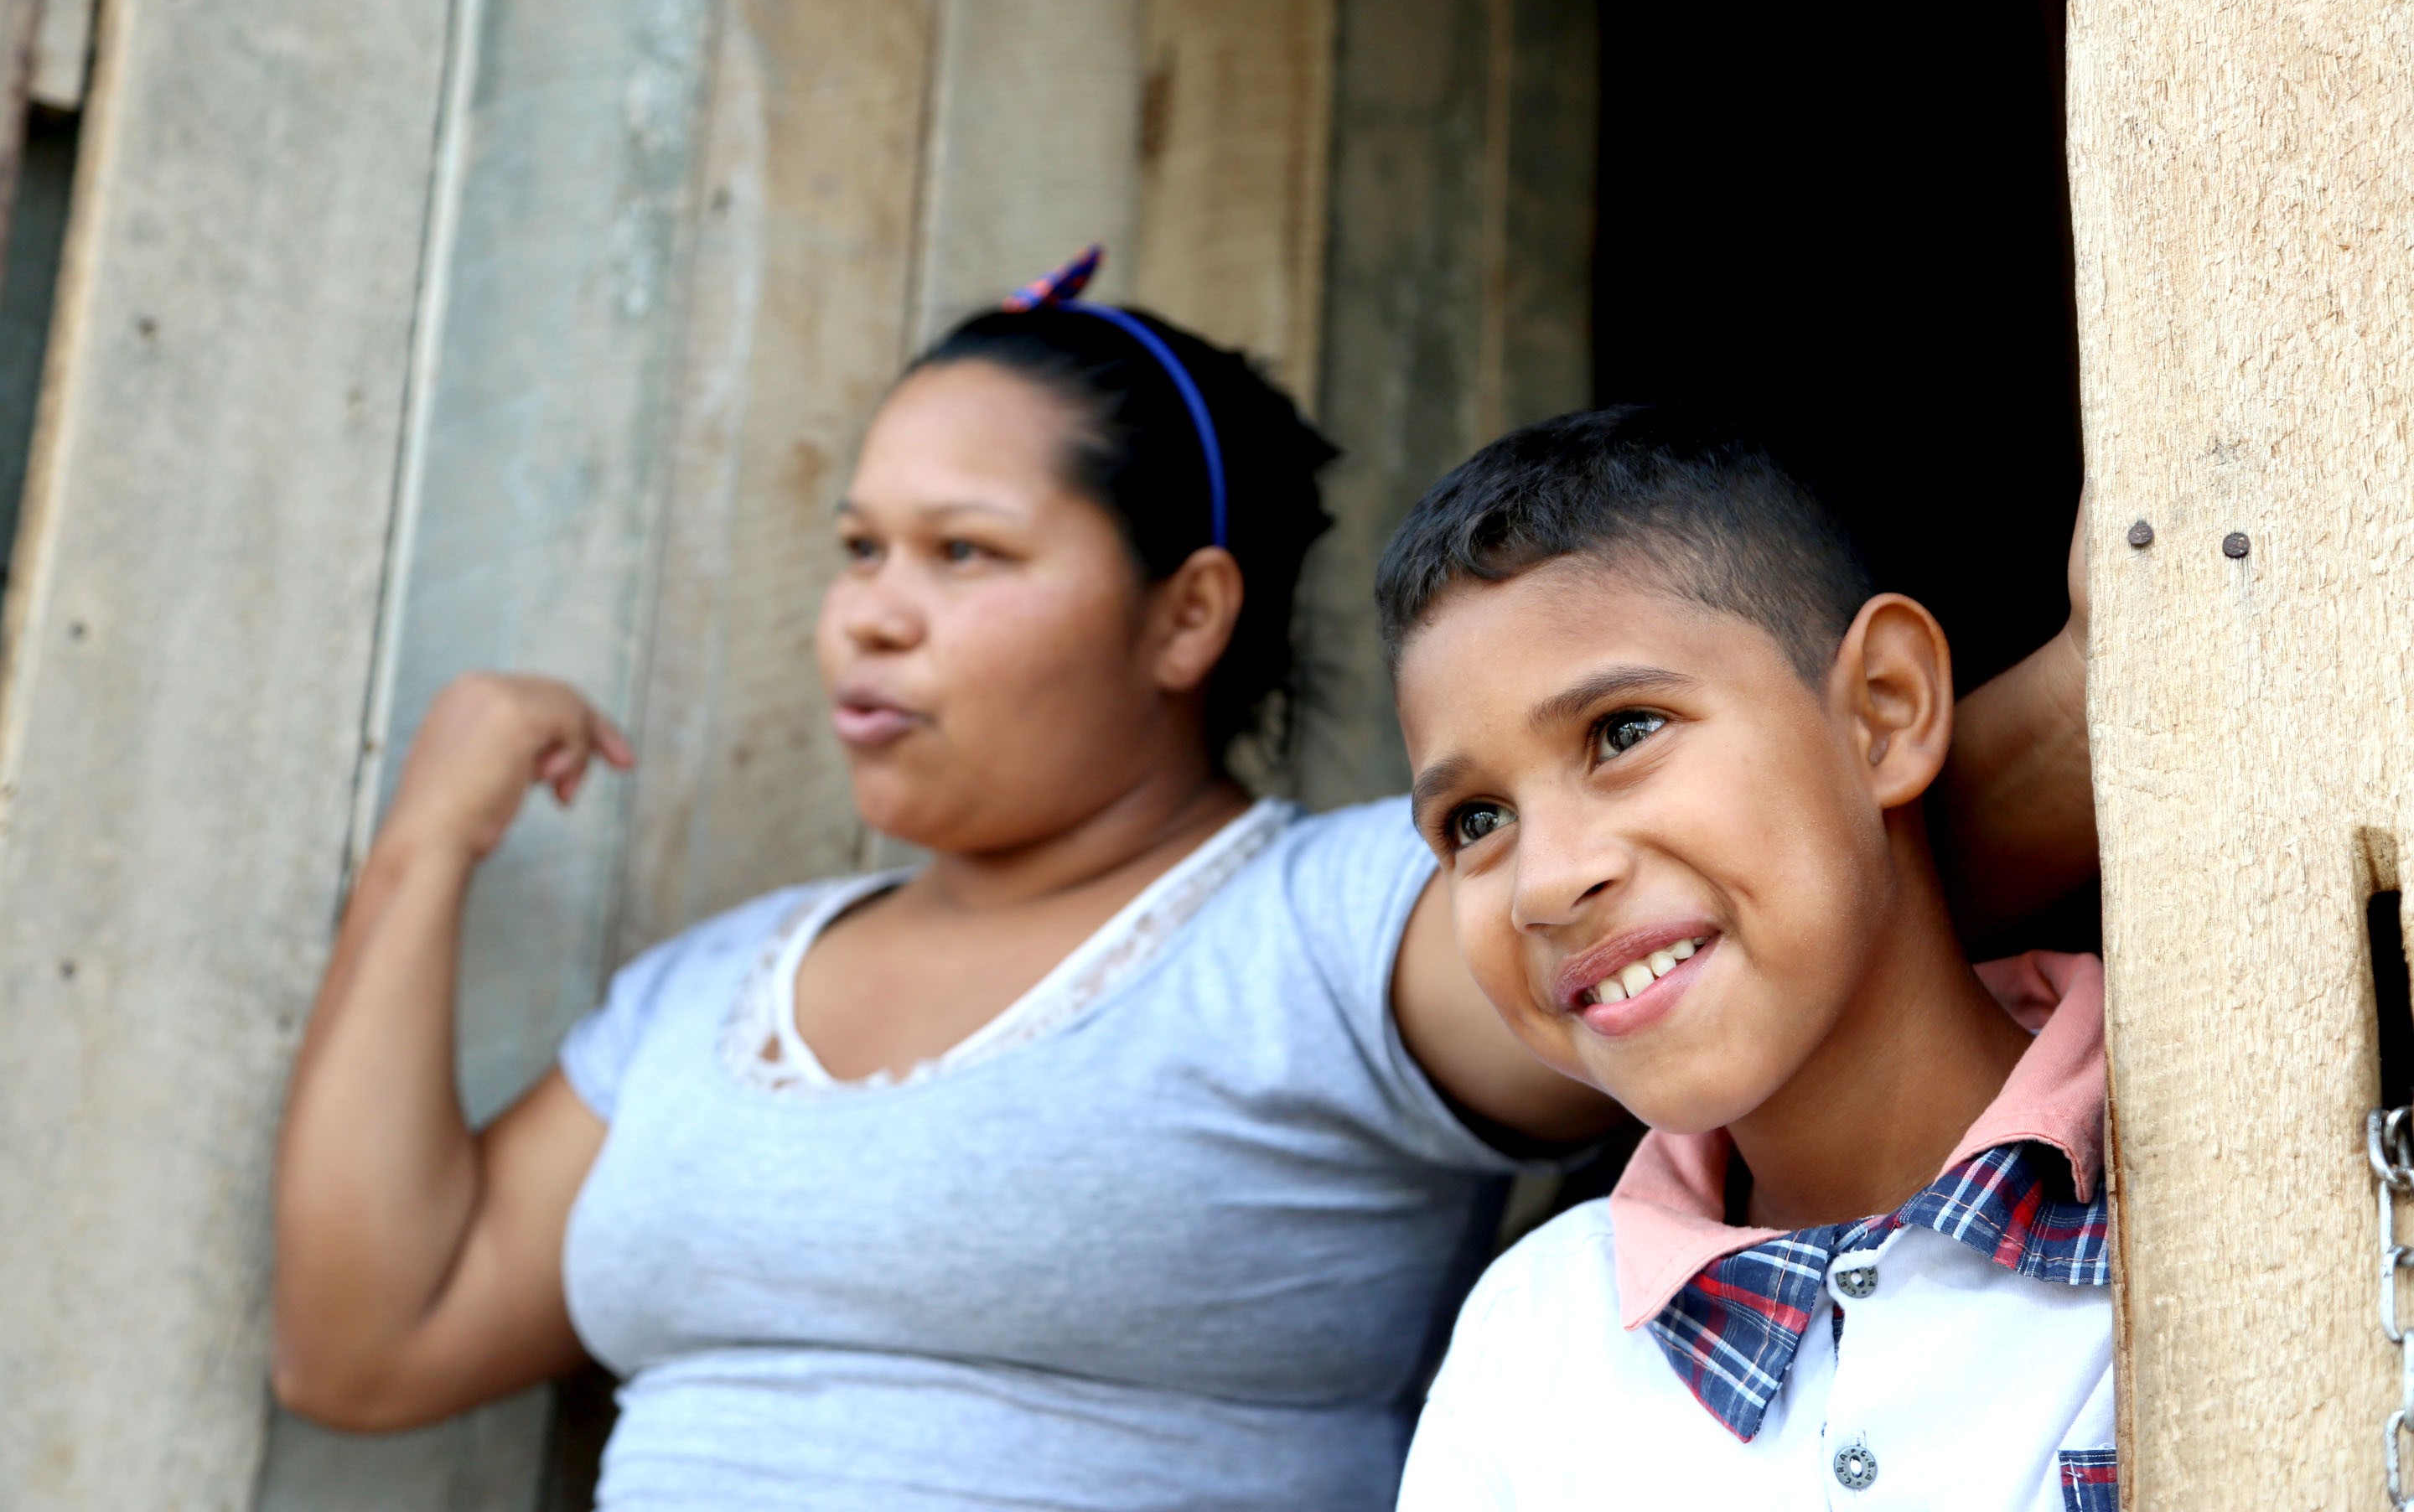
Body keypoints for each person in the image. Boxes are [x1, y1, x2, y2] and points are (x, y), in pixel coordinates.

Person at [272, 251, 2095, 1511]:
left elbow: (1764, 903)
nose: (870, 612)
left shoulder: (1317, 934)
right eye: (857, 548)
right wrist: (426, 848)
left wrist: (2109, 688)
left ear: (1187, 615)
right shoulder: (708, 990)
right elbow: (367, 1341)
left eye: (963, 551)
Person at [1381, 406, 2111, 1510]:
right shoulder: (1537, 1343)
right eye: (1476, 822)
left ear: (1884, 710)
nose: (1544, 883)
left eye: (1624, 732)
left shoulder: (2252, 1177)